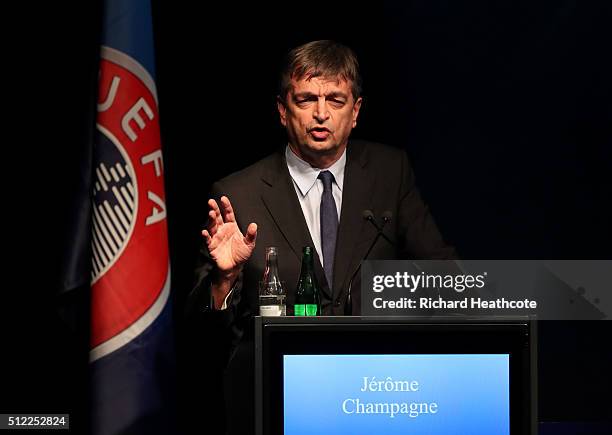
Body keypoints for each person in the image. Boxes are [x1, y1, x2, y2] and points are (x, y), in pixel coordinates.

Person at [185, 40, 457, 435]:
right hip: (274, 400)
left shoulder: (389, 173)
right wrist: (224, 280)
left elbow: (444, 272)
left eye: (336, 99)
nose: (321, 113)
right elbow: (198, 336)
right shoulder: (238, 194)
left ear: (356, 111)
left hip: (375, 393)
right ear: (282, 110)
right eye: (306, 99)